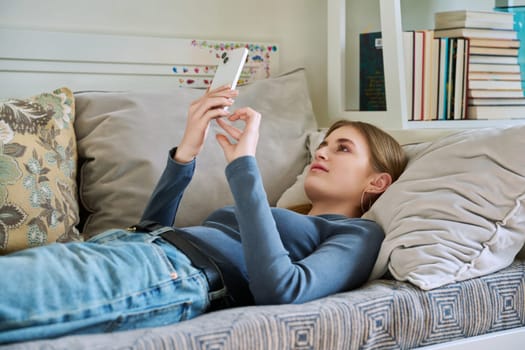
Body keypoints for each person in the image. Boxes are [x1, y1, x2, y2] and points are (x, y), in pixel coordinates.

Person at [0, 85, 407, 344]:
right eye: (325, 143)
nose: (322, 151)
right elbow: (152, 229)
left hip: (170, 273)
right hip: (130, 248)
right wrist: (187, 152)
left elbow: (283, 292)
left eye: (343, 148)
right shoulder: (281, 213)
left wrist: (244, 166)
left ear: (377, 182)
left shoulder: (357, 234)